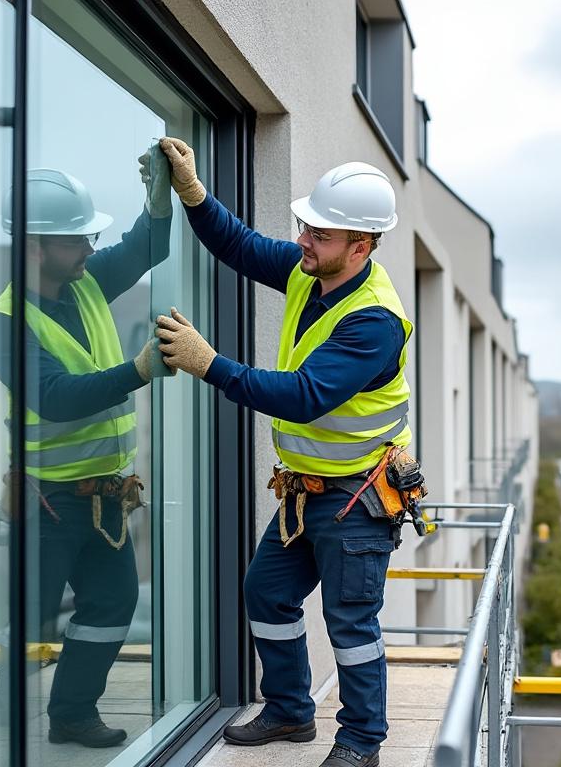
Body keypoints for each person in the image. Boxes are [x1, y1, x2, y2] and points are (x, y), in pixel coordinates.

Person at [151, 136, 410, 767]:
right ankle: (292, 713)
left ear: (362, 245)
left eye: (320, 234)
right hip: (308, 488)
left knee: (350, 626)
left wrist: (209, 363)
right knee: (267, 592)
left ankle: (359, 743)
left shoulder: (373, 322)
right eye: (305, 227)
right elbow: (240, 246)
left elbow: (302, 396)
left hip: (357, 497)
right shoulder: (310, 268)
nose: (303, 241)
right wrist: (193, 193)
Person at [0, 154, 173, 748]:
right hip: (48, 504)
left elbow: (145, 249)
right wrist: (138, 369)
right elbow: (55, 397)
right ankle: (9, 722)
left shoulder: (82, 286)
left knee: (111, 606)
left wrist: (160, 200)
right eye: (77, 238)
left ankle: (72, 714)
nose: (89, 248)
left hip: (104, 498)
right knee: (31, 616)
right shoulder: (1, 322)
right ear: (35, 246)